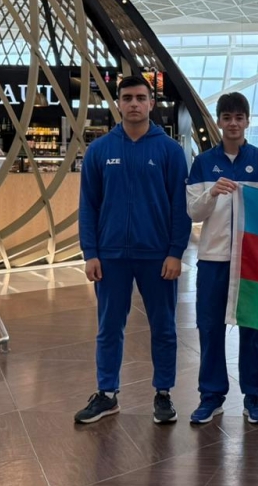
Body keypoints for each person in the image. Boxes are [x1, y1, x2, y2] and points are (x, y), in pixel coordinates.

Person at [74, 75, 191, 425]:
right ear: (118, 104)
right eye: (127, 98)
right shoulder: (99, 150)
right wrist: (90, 253)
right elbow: (88, 205)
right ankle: (107, 393)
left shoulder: (169, 151)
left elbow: (180, 206)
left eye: (141, 97)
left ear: (152, 103)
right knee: (109, 327)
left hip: (157, 255)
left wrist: (176, 252)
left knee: (164, 327)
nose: (134, 104)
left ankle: (163, 393)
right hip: (111, 256)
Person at [186, 92, 258, 425]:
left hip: (252, 262)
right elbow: (193, 213)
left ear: (247, 121)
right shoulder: (203, 162)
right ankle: (211, 396)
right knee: (210, 328)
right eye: (227, 117)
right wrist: (211, 193)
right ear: (219, 121)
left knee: (253, 329)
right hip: (213, 259)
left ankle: (255, 397)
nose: (233, 124)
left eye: (239, 117)